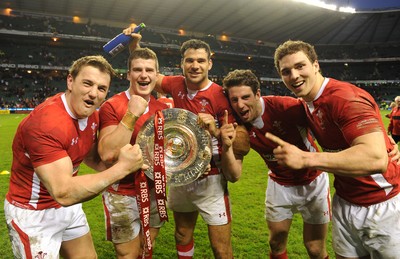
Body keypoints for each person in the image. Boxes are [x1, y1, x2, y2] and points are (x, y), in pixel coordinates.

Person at [266, 40, 400, 259]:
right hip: (345, 200)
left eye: (301, 66)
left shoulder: (344, 98)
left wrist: (307, 159)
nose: (294, 76)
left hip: (383, 204)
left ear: (316, 65)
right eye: (286, 71)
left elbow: (375, 158)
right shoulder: (305, 104)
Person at [4, 55, 147, 258]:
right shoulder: (46, 122)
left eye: (101, 88)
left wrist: (141, 164)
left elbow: (95, 161)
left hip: (68, 208)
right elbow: (63, 192)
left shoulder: (92, 116)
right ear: (70, 81)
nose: (93, 93)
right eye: (87, 83)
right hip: (34, 212)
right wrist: (122, 168)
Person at [124, 25, 245, 258]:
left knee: (220, 247)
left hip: (211, 180)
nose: (195, 66)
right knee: (182, 234)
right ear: (182, 63)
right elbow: (145, 73)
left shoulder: (221, 95)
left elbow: (240, 142)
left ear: (210, 63)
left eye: (201, 60)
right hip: (179, 175)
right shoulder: (175, 84)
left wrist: (217, 132)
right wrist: (134, 45)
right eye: (190, 60)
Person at [222, 69, 330, 259]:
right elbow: (233, 176)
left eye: (246, 97)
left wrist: (384, 143)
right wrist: (226, 147)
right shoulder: (236, 124)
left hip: (313, 181)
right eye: (234, 100)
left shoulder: (288, 107)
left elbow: (330, 124)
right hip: (279, 184)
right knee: (276, 242)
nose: (240, 105)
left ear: (257, 94)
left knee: (314, 247)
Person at [97, 47, 168, 258]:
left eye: (149, 70)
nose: (144, 75)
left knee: (146, 249)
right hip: (122, 192)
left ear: (157, 75)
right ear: (128, 74)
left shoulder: (162, 108)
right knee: (127, 254)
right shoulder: (113, 105)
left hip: (155, 191)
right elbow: (108, 154)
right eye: (137, 69)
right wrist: (132, 114)